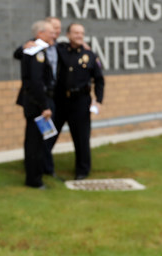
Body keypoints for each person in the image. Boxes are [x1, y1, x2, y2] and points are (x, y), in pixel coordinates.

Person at [53, 23, 104, 180]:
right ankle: (43, 167)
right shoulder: (59, 49)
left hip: (80, 102)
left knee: (82, 138)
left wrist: (98, 100)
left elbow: (99, 79)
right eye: (75, 33)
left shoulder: (90, 55)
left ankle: (82, 171)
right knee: (49, 135)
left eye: (81, 33)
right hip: (60, 101)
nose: (79, 36)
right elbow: (46, 45)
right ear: (68, 35)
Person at [16, 20, 57, 188]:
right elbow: (36, 81)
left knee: (36, 142)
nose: (53, 35)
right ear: (40, 33)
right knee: (34, 143)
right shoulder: (37, 51)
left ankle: (36, 176)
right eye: (50, 32)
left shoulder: (35, 49)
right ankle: (34, 180)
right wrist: (44, 106)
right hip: (36, 104)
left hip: (35, 102)